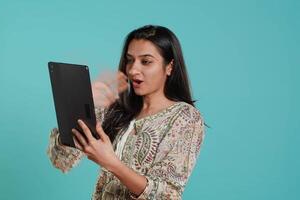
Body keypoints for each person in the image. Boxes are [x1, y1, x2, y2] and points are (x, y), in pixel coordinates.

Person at [47, 25, 205, 200]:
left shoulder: (185, 118)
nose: (132, 70)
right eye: (130, 60)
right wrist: (82, 104)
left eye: (146, 61)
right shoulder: (117, 110)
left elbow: (167, 195)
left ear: (169, 67)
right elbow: (60, 160)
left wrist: (111, 163)